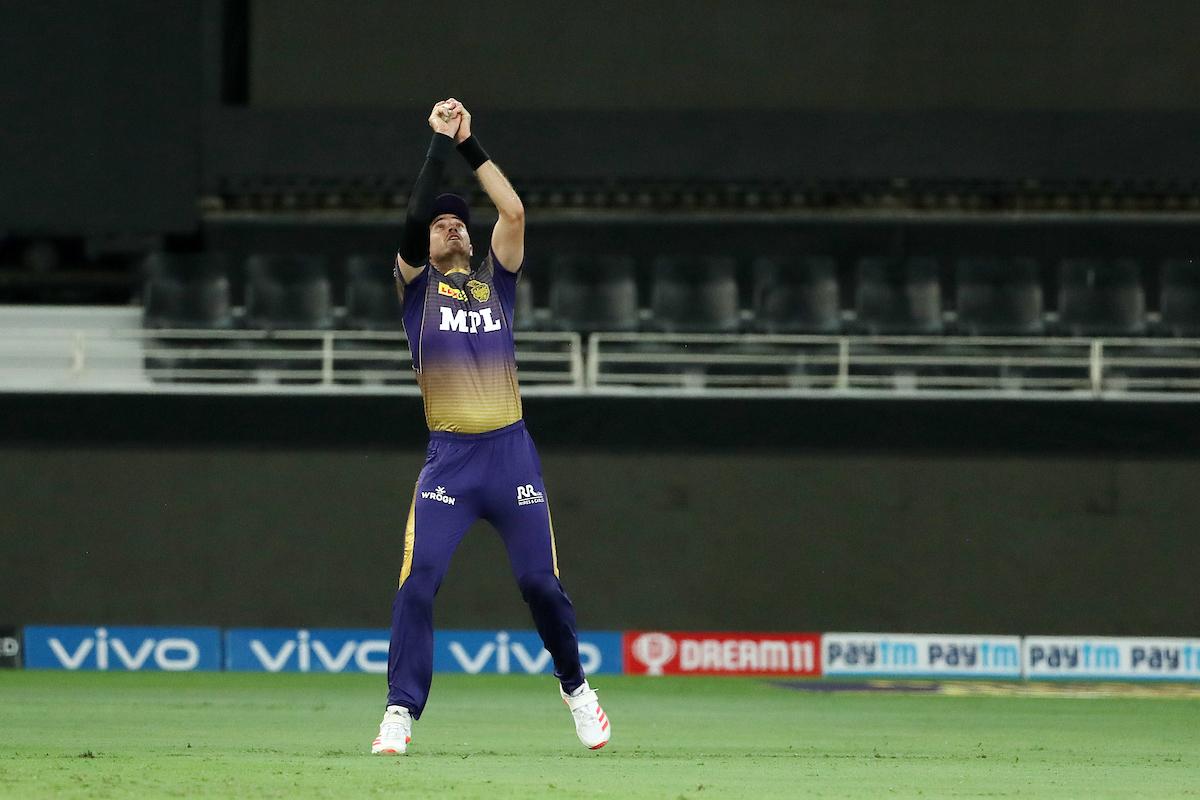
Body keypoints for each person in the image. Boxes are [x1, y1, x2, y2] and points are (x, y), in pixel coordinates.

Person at [371, 99, 610, 755]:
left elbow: (514, 213)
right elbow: (415, 218)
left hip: (509, 457)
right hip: (449, 463)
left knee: (540, 584)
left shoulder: (495, 287)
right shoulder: (416, 291)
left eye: (458, 224)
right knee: (419, 581)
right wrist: (435, 146)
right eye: (439, 224)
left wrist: (470, 144)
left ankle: (577, 688)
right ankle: (400, 711)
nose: (449, 228)